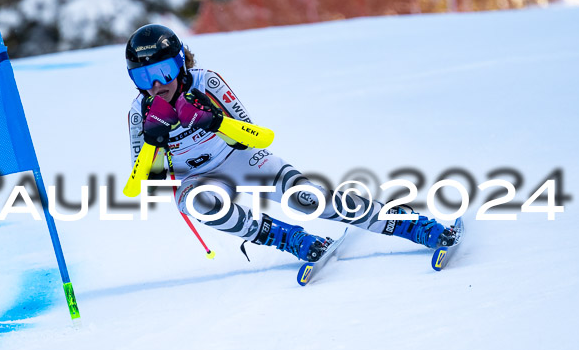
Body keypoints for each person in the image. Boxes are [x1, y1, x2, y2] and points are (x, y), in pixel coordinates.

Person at [126, 24, 458, 262]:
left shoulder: (205, 83)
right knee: (197, 202)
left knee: (305, 199)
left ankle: (413, 226)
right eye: (143, 77)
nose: (156, 85)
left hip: (238, 159)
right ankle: (292, 239)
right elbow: (144, 183)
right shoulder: (140, 112)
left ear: (181, 63)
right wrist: (154, 140)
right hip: (198, 179)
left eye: (164, 71)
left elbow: (257, 137)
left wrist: (212, 120)